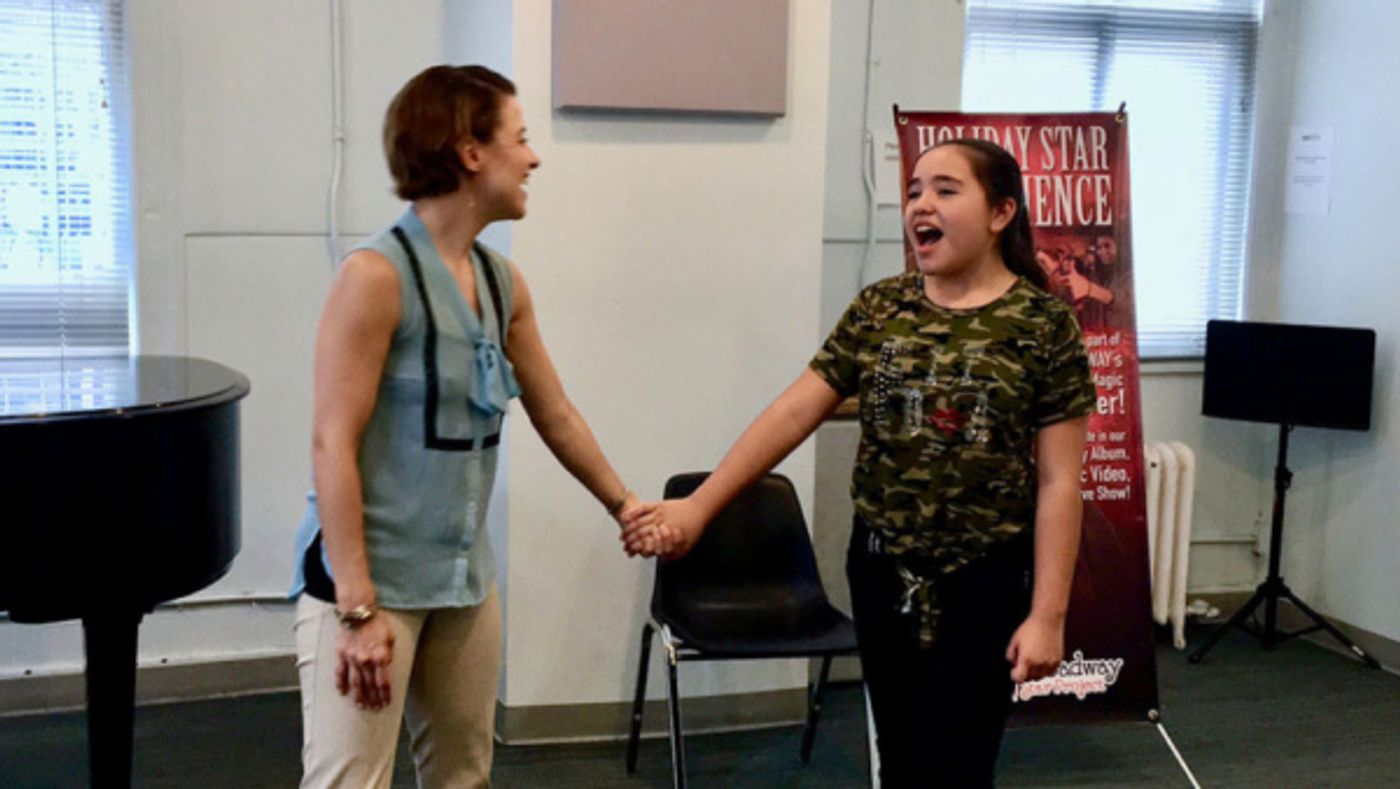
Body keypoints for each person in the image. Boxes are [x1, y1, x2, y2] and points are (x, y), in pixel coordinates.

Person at [623, 138, 1097, 787]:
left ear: (1000, 212)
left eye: (945, 189)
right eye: (913, 191)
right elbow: (794, 411)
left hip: (986, 579)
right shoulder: (881, 308)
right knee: (899, 756)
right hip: (883, 569)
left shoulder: (1043, 325)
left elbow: (1059, 480)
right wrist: (700, 506)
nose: (920, 204)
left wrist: (1048, 614)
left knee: (960, 762)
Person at [289, 64, 651, 788]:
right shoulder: (374, 276)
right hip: (370, 585)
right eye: (521, 138)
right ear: (470, 151)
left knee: (463, 776)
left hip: (462, 583)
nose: (534, 157)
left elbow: (556, 412)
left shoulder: (502, 284)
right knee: (348, 782)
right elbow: (332, 442)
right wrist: (357, 609)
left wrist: (625, 505)